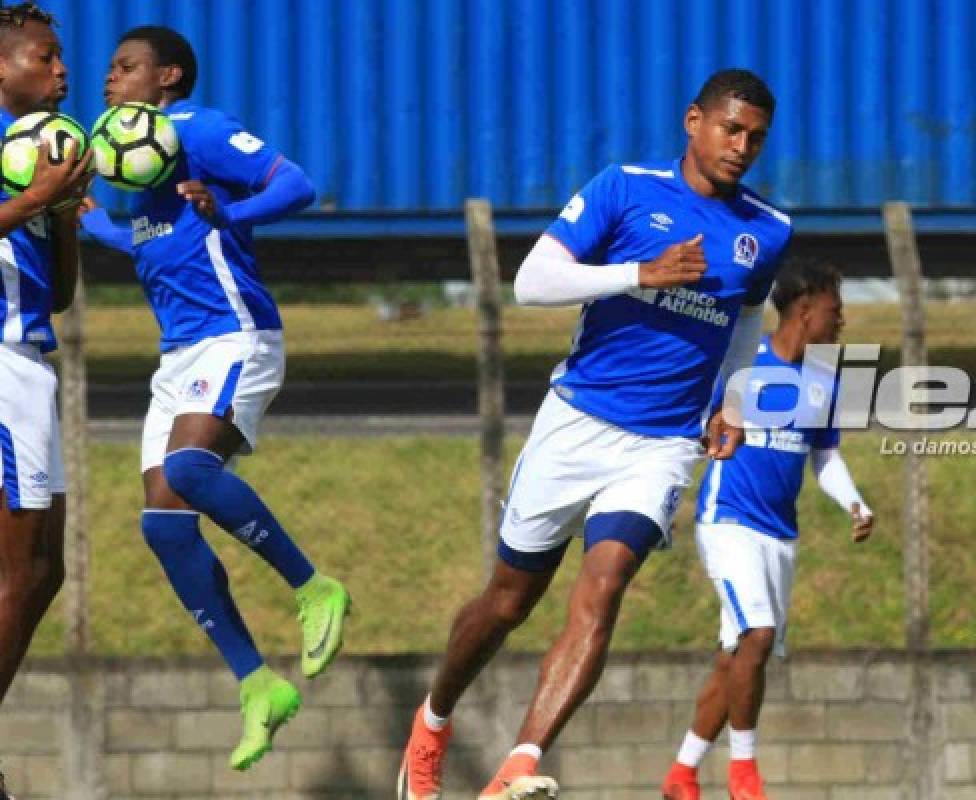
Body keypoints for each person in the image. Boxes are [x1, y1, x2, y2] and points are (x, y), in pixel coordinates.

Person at [396, 68, 791, 800]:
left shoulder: (768, 231)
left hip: (662, 445)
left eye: (756, 137)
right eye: (730, 129)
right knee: (507, 603)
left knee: (603, 588)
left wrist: (730, 404)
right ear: (693, 121)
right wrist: (638, 272)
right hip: (577, 423)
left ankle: (519, 761)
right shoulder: (624, 187)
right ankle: (432, 721)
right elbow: (532, 282)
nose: (742, 147)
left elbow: (743, 325)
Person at [79, 26, 350, 770]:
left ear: (167, 77)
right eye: (108, 69)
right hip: (177, 357)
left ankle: (316, 587)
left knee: (193, 473)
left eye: (125, 67)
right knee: (163, 526)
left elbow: (296, 184)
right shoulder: (125, 160)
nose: (110, 79)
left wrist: (231, 215)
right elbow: (144, 238)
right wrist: (81, 217)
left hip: (236, 336)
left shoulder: (198, 129)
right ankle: (258, 685)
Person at [660, 258, 873, 800]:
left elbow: (824, 457)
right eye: (835, 310)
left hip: (781, 536)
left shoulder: (825, 377)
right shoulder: (741, 362)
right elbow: (696, 427)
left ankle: (682, 774)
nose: (841, 321)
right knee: (757, 634)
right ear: (804, 310)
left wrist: (854, 502)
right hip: (729, 522)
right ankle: (744, 776)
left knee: (738, 657)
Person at [0, 0, 93, 710]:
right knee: (19, 571)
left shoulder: (39, 151)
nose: (62, 70)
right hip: (1, 368)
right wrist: (34, 196)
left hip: (32, 361)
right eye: (44, 57)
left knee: (46, 571)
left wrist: (58, 216)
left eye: (60, 57)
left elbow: (58, 293)